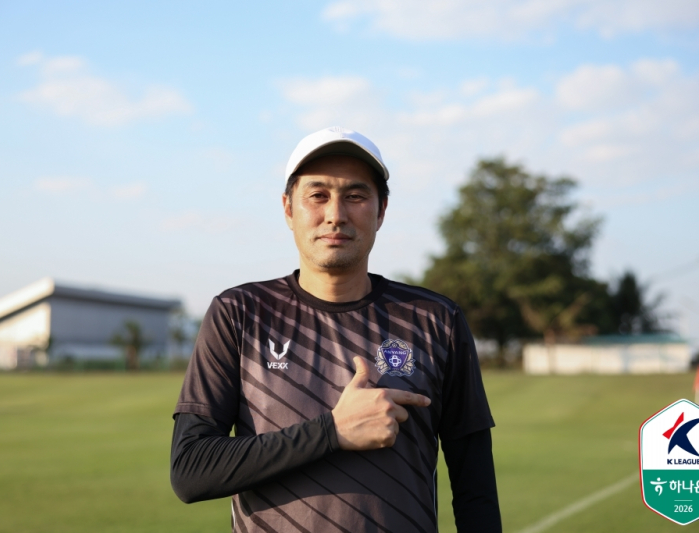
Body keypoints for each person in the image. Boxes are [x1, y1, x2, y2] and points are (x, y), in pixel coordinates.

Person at [171, 126, 501, 532]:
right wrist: (332, 431)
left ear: (381, 211)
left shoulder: (436, 319)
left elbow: (475, 489)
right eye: (318, 195)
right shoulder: (239, 313)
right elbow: (190, 470)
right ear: (288, 208)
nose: (336, 215)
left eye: (355, 196)